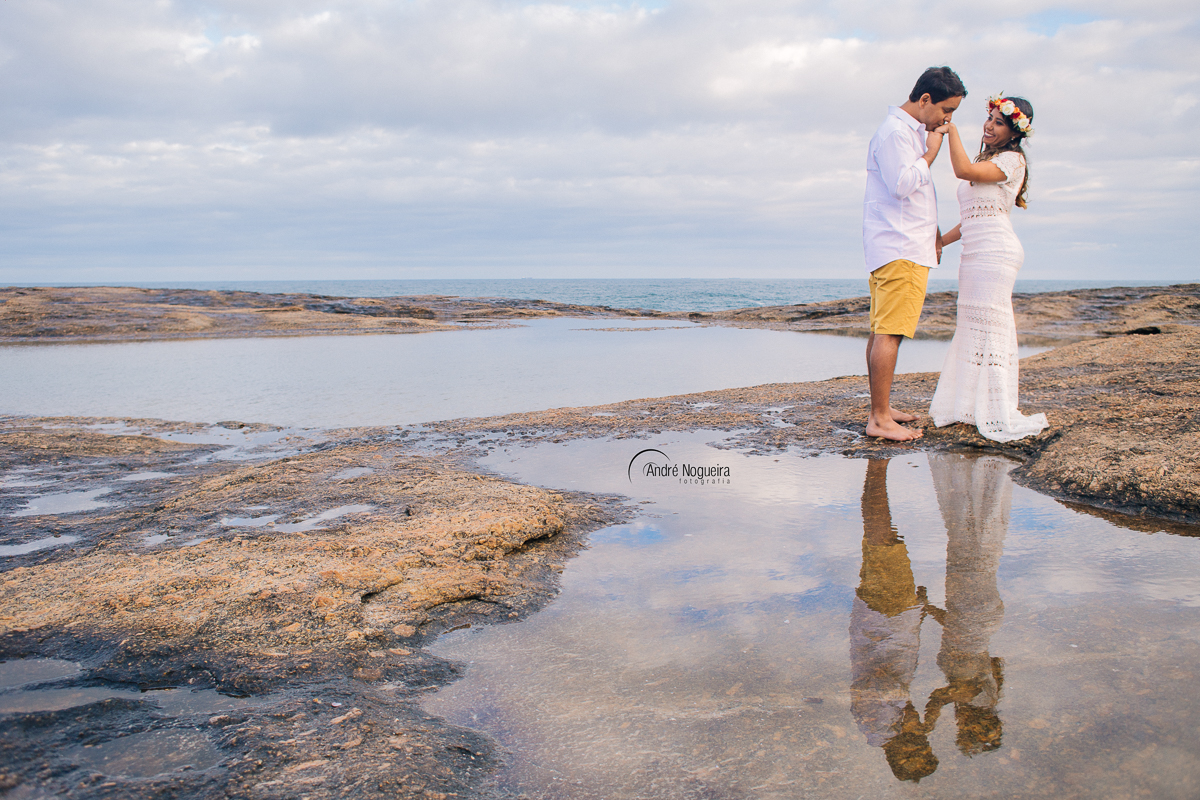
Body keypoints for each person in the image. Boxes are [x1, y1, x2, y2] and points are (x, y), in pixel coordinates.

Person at [929, 94, 1049, 441]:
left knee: (991, 326)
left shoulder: (1011, 161)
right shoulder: (991, 159)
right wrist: (941, 243)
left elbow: (962, 170)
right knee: (970, 323)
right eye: (990, 118)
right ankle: (966, 406)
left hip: (996, 253)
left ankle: (994, 408)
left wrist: (950, 132)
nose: (989, 125)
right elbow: (972, 219)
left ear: (1014, 133)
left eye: (999, 122)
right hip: (974, 252)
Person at [863, 67, 967, 441]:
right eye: (946, 110)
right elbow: (904, 184)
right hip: (900, 247)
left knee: (883, 330)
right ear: (926, 100)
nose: (947, 119)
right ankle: (878, 418)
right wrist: (932, 152)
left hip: (902, 243)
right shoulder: (896, 133)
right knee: (890, 331)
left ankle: (883, 406)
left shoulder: (904, 132)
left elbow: (912, 196)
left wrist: (934, 233)